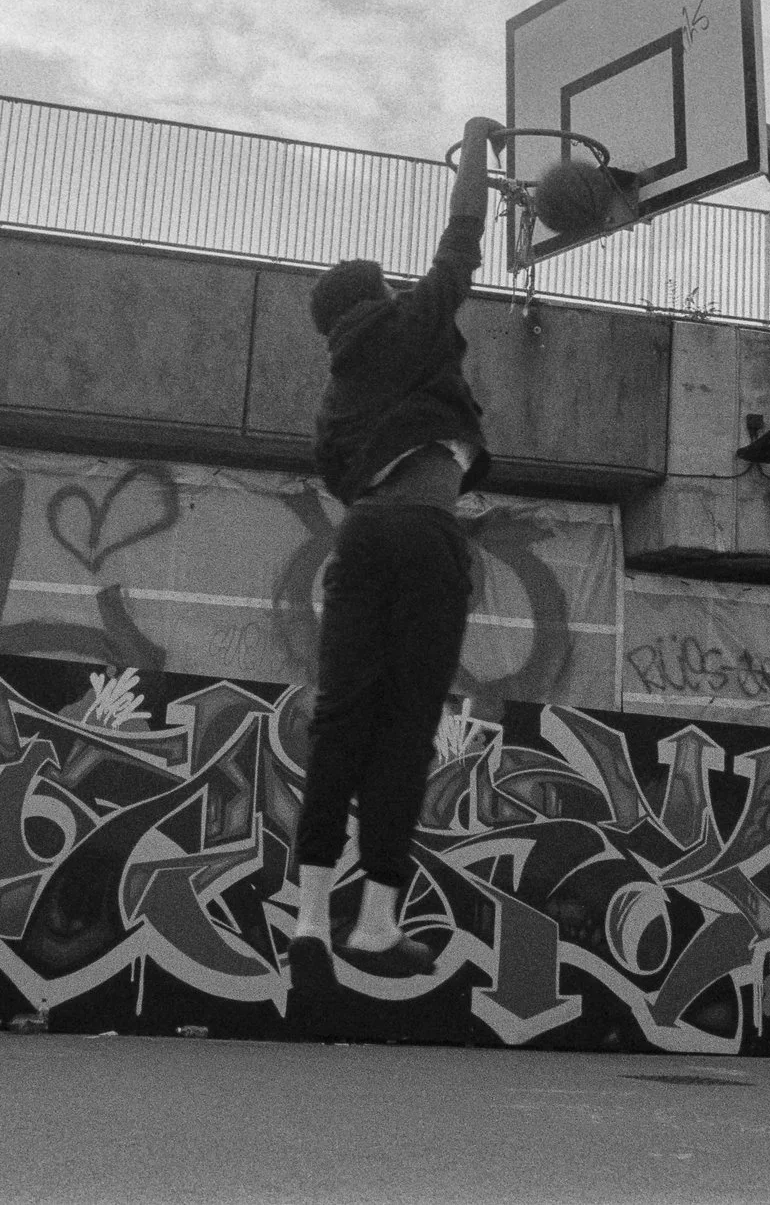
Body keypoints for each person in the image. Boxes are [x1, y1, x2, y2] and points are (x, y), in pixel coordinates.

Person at [290, 113, 500, 981]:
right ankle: (374, 920)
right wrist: (478, 152)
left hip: (363, 539)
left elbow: (337, 474)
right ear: (377, 295)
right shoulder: (408, 331)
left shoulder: (337, 396)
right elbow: (460, 247)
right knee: (404, 731)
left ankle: (307, 918)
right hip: (422, 537)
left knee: (341, 721)